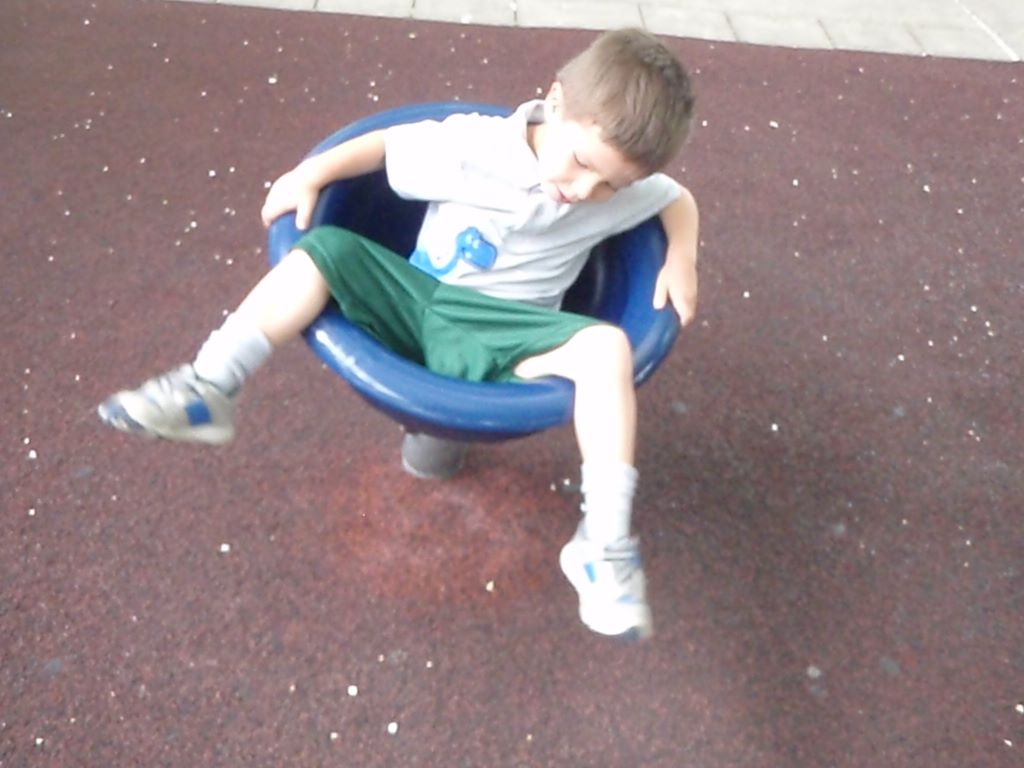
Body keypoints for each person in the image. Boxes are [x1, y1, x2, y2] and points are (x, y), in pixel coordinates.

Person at [98, 28, 699, 641]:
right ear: (556, 102)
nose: (585, 193)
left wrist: (682, 255)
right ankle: (209, 386)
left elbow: (676, 200)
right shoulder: (477, 145)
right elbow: (387, 146)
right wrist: (310, 174)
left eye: (611, 186)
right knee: (324, 250)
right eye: (583, 165)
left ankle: (603, 544)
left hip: (504, 338)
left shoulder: (616, 182)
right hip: (417, 300)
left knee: (607, 348)